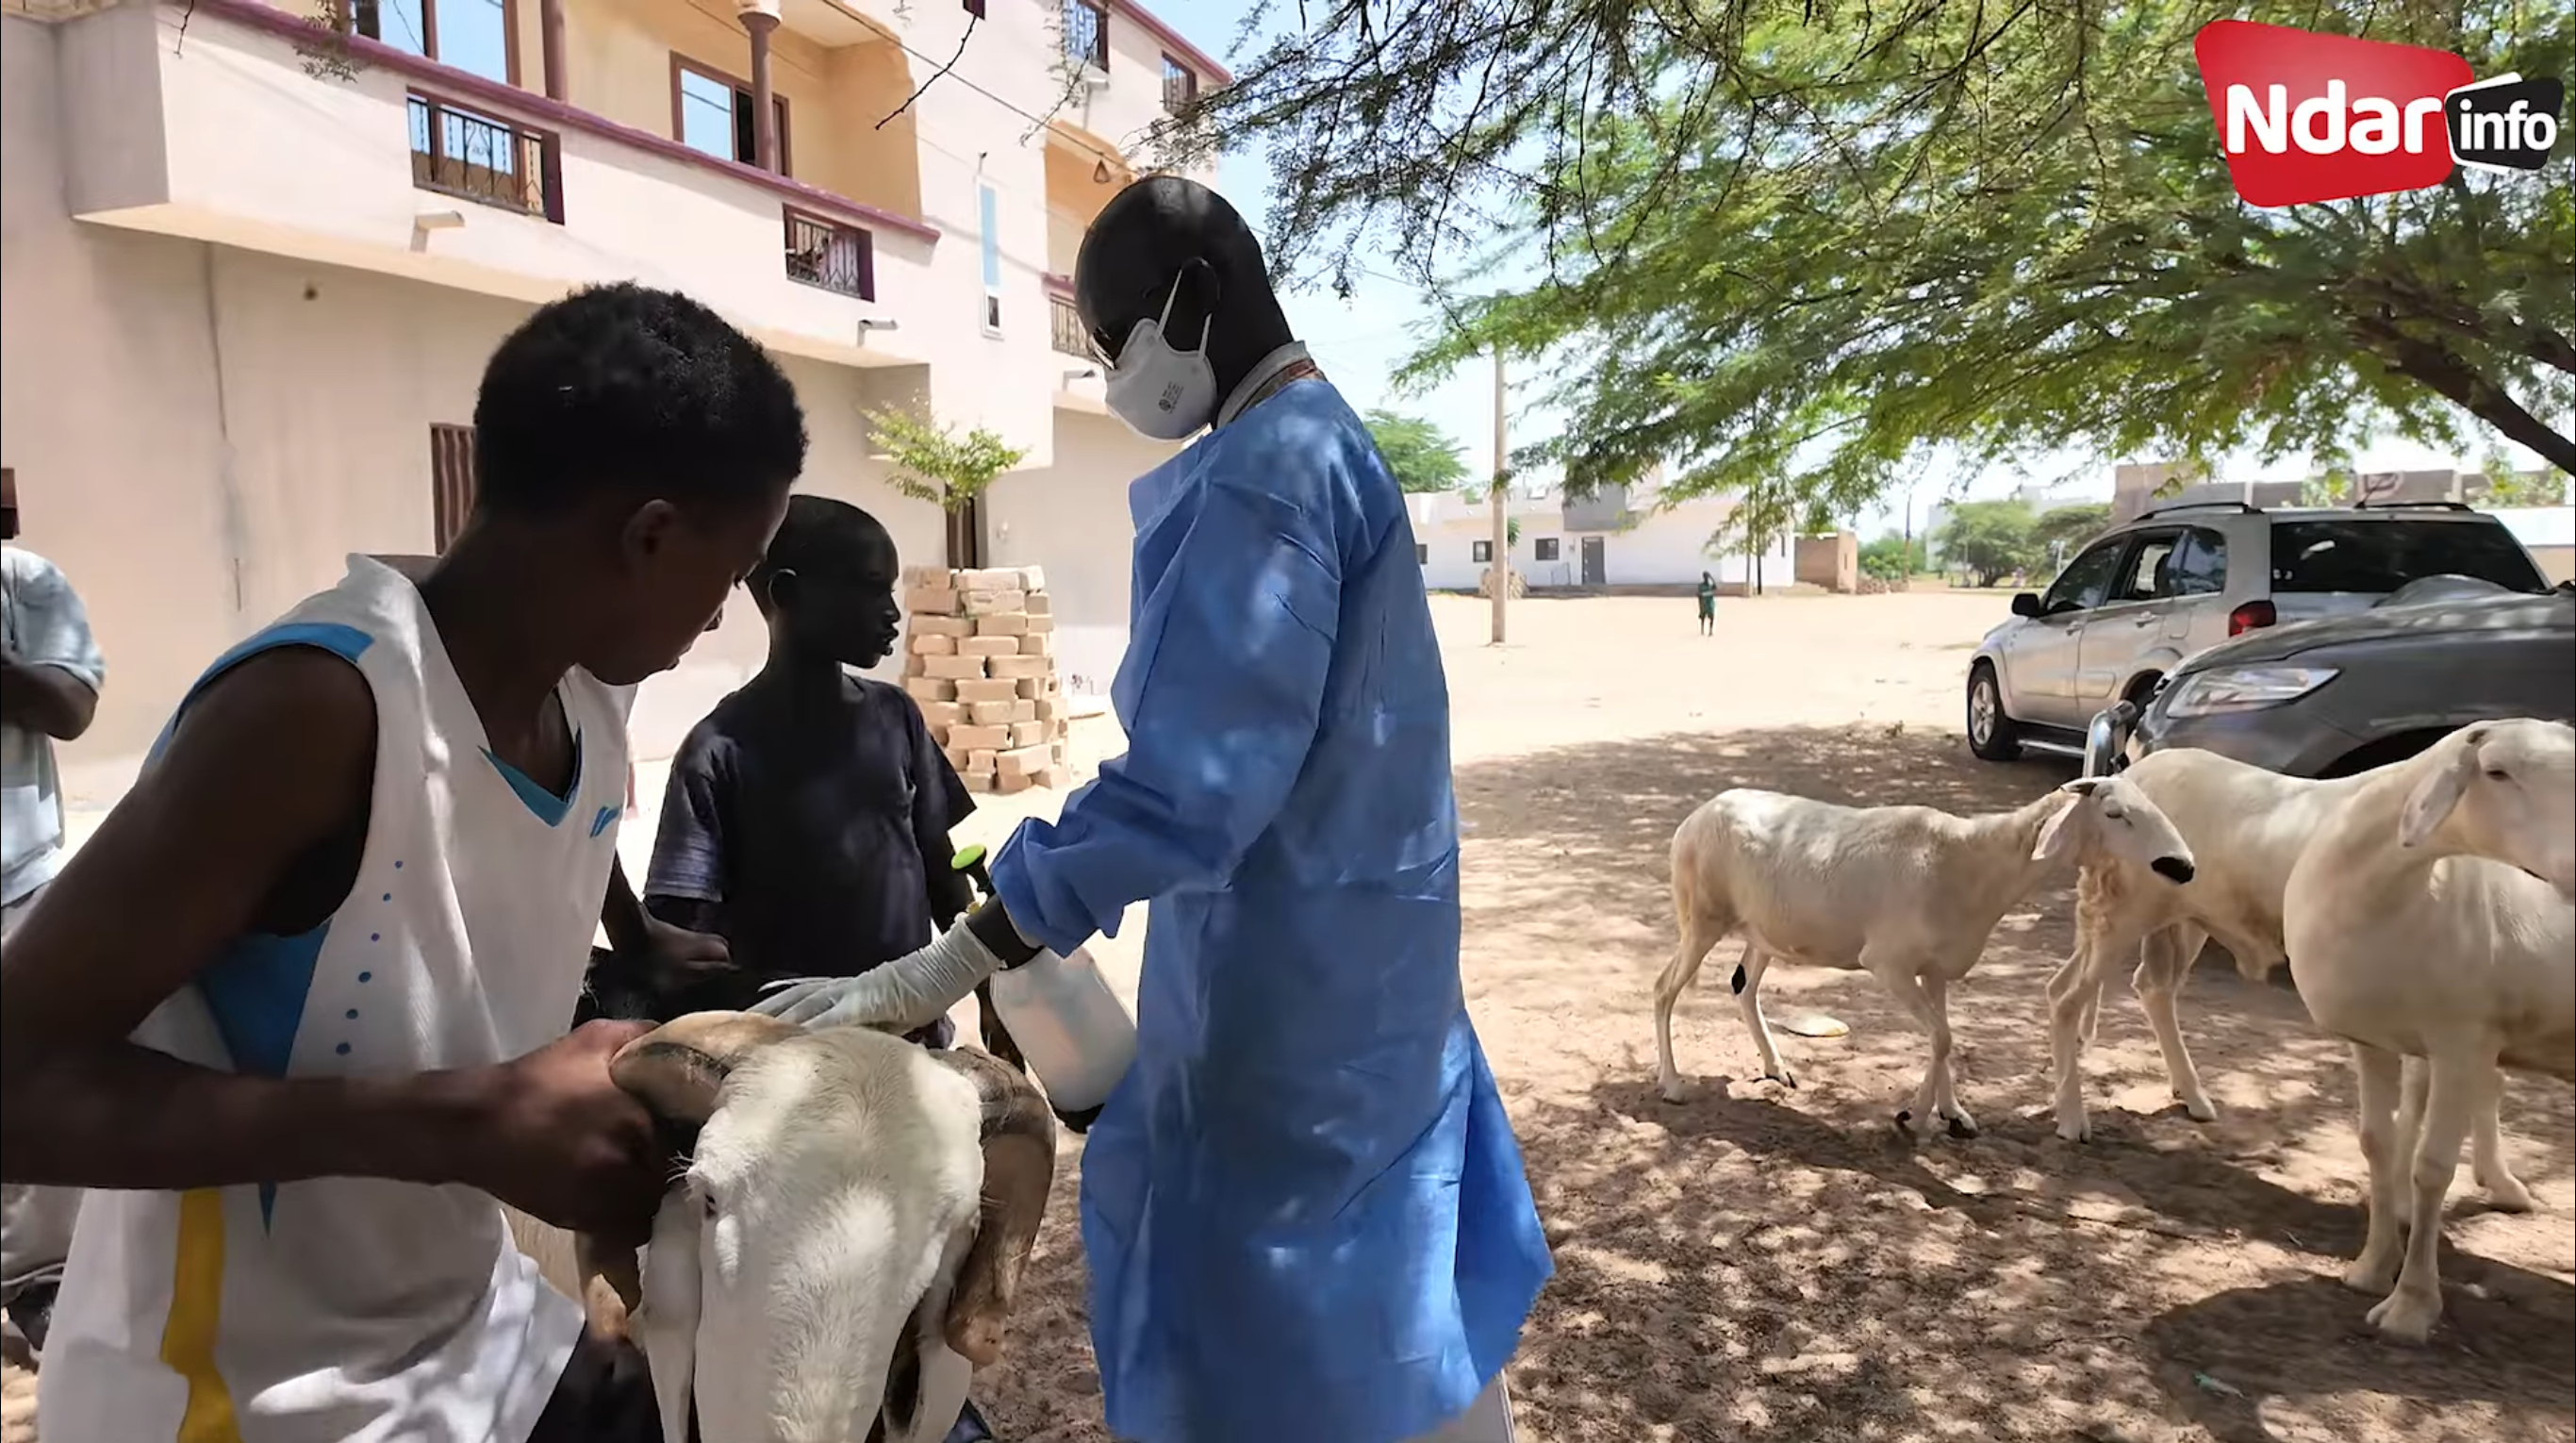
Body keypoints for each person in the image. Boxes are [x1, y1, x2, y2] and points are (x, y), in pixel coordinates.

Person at [756, 175, 1553, 1443]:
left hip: (1288, 1025)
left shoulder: (1266, 476)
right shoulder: (1332, 443)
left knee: (1287, 1327)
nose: (1118, 372)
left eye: (1119, 334)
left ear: (1196, 298)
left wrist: (959, 952)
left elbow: (1195, 782)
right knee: (1405, 1305)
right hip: (1377, 991)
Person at [0, 282, 799, 1443]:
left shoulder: (588, 696)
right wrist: (462, 1128)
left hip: (471, 1334)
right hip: (246, 1398)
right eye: (729, 575)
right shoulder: (317, 711)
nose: (722, 616)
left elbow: (519, 854)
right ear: (651, 536)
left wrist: (645, 961)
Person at [635, 493, 999, 1443]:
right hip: (784, 1105)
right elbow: (678, 930)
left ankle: (932, 1415)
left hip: (906, 1075)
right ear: (787, 594)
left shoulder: (896, 723)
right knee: (796, 1315)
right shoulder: (720, 750)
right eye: (870, 591)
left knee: (914, 1288)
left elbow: (954, 872)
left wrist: (996, 986)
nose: (892, 613)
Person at [0, 466, 107, 1361]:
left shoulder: (23, 583)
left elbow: (71, 706)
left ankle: (39, 1282)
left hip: (13, 882)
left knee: (28, 1083)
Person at [1696, 571, 1717, 636]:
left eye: (1707, 577)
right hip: (1704, 603)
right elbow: (1698, 594)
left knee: (1712, 616)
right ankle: (1702, 630)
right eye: (1705, 577)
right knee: (1703, 617)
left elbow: (1716, 587)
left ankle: (1710, 631)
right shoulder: (1701, 586)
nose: (1706, 578)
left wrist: (1712, 578)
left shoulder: (1710, 585)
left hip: (1710, 603)